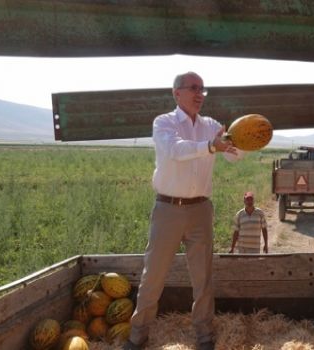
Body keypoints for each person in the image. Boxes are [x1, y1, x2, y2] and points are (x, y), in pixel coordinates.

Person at [124, 72, 244, 350]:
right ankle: (137, 335)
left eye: (202, 89)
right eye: (193, 88)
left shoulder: (212, 125)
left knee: (203, 277)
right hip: (167, 209)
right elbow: (175, 151)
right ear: (176, 93)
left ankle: (204, 336)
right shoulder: (164, 123)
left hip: (200, 210)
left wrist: (241, 140)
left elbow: (234, 157)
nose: (199, 93)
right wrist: (210, 145)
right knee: (152, 275)